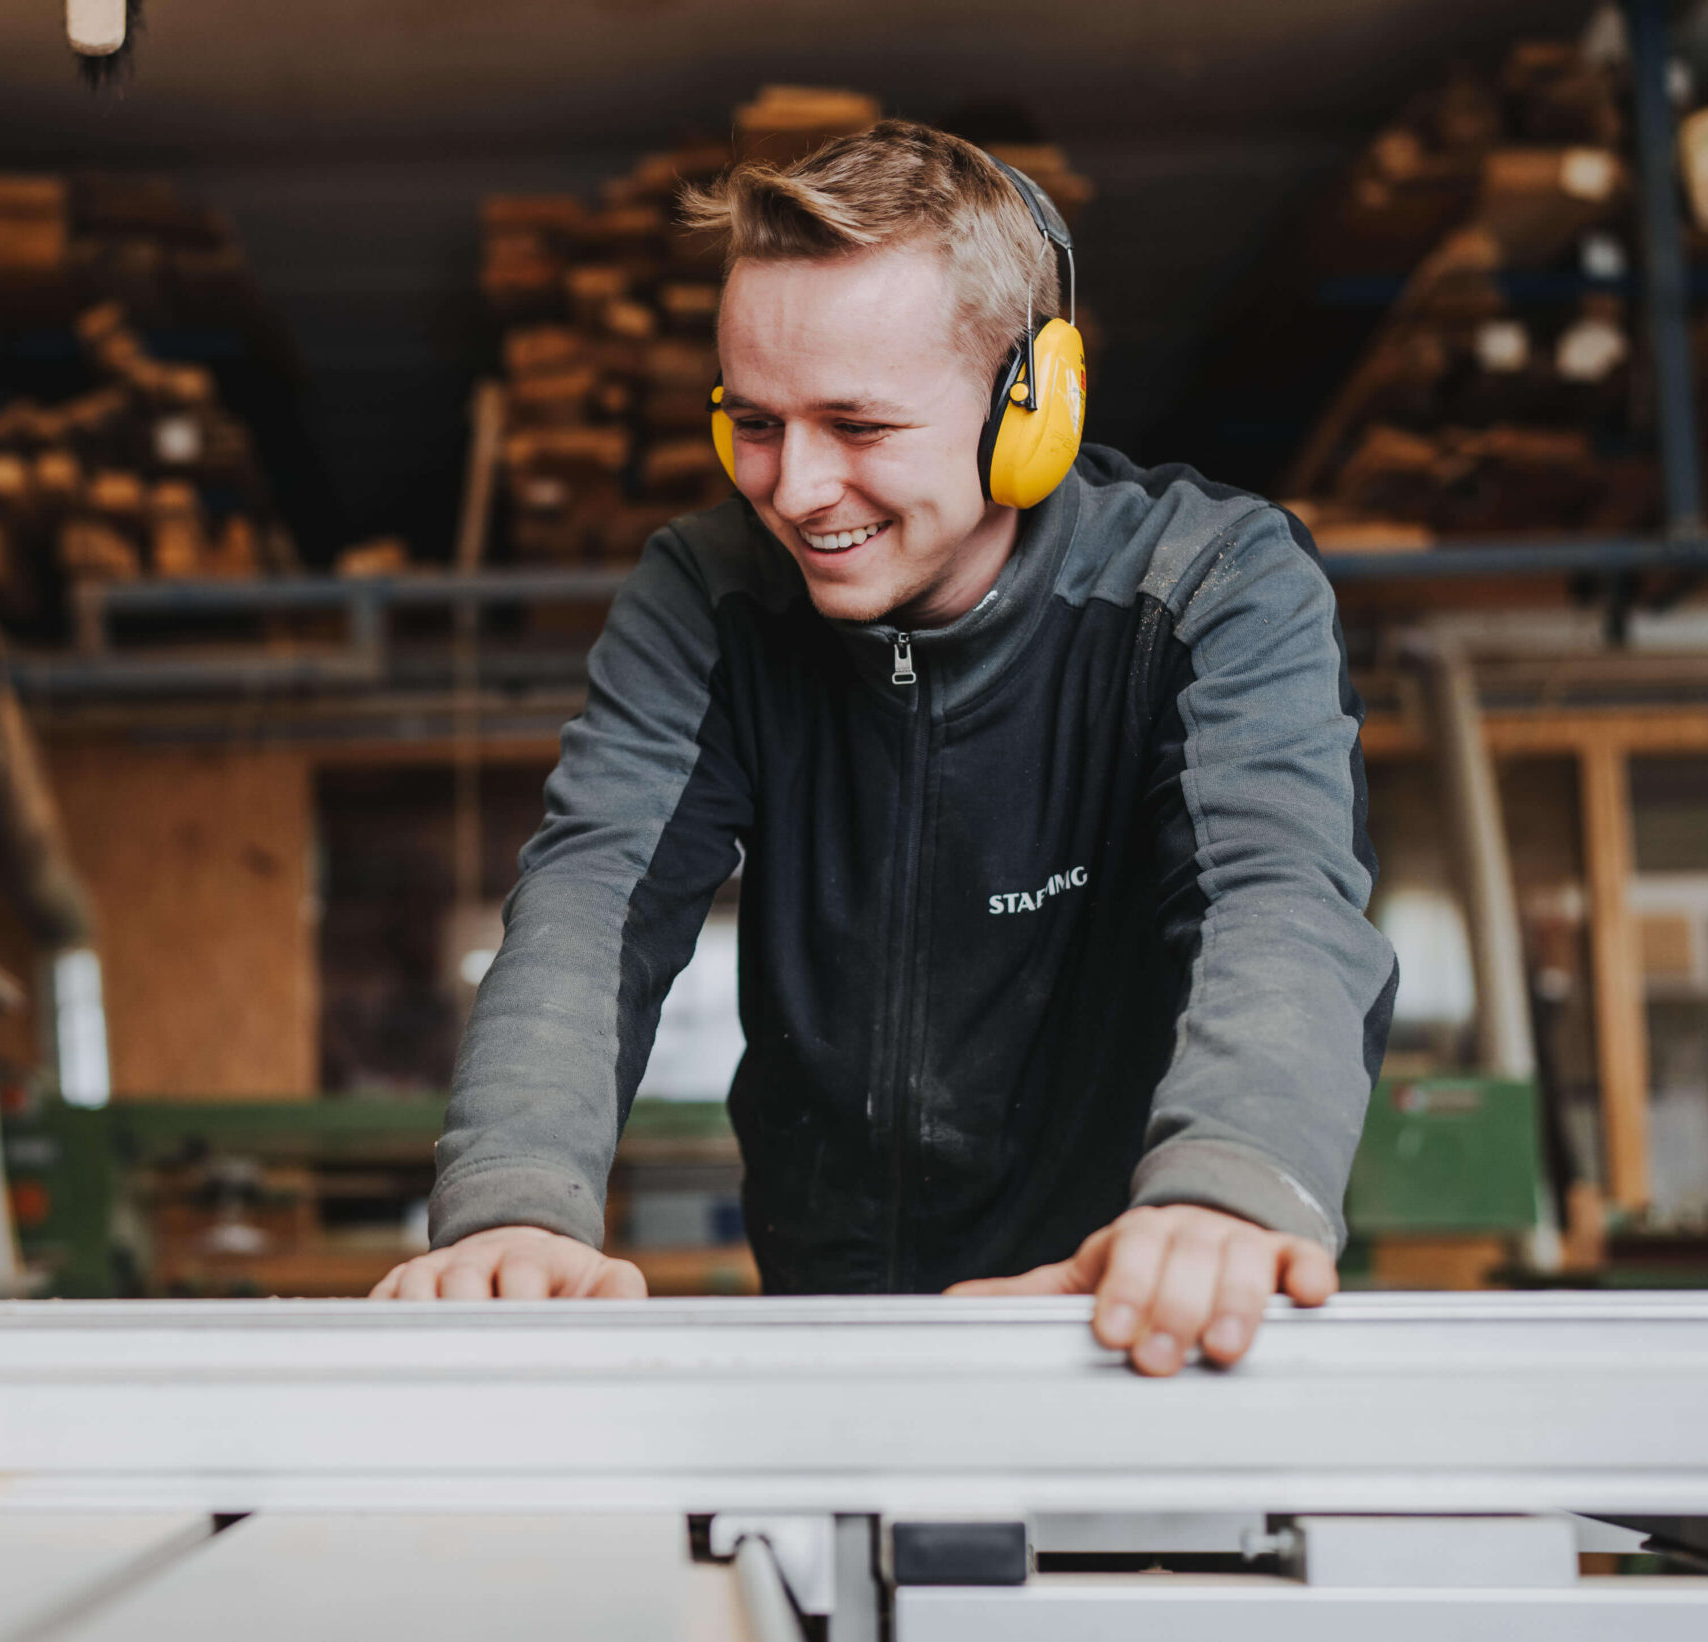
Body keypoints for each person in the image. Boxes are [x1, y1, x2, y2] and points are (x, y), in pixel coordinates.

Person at [370, 120, 1397, 1377]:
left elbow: (1274, 895)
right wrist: (513, 1206)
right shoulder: (708, 596)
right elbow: (595, 896)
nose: (795, 487)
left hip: (1143, 1322)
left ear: (1032, 407)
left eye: (857, 427)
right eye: (753, 421)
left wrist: (1230, 1188)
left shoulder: (1208, 591)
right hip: (835, 1329)